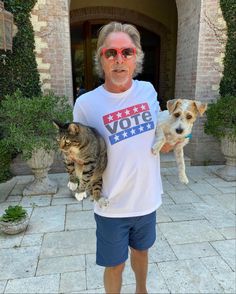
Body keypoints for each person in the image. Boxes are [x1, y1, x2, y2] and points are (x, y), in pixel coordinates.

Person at [73, 21, 172, 294]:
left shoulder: (148, 91)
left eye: (127, 52)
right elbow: (79, 154)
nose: (119, 60)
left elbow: (156, 136)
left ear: (136, 57)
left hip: (146, 198)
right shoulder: (86, 105)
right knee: (114, 265)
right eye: (111, 53)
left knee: (141, 253)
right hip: (111, 204)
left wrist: (169, 141)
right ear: (101, 59)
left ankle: (142, 290)